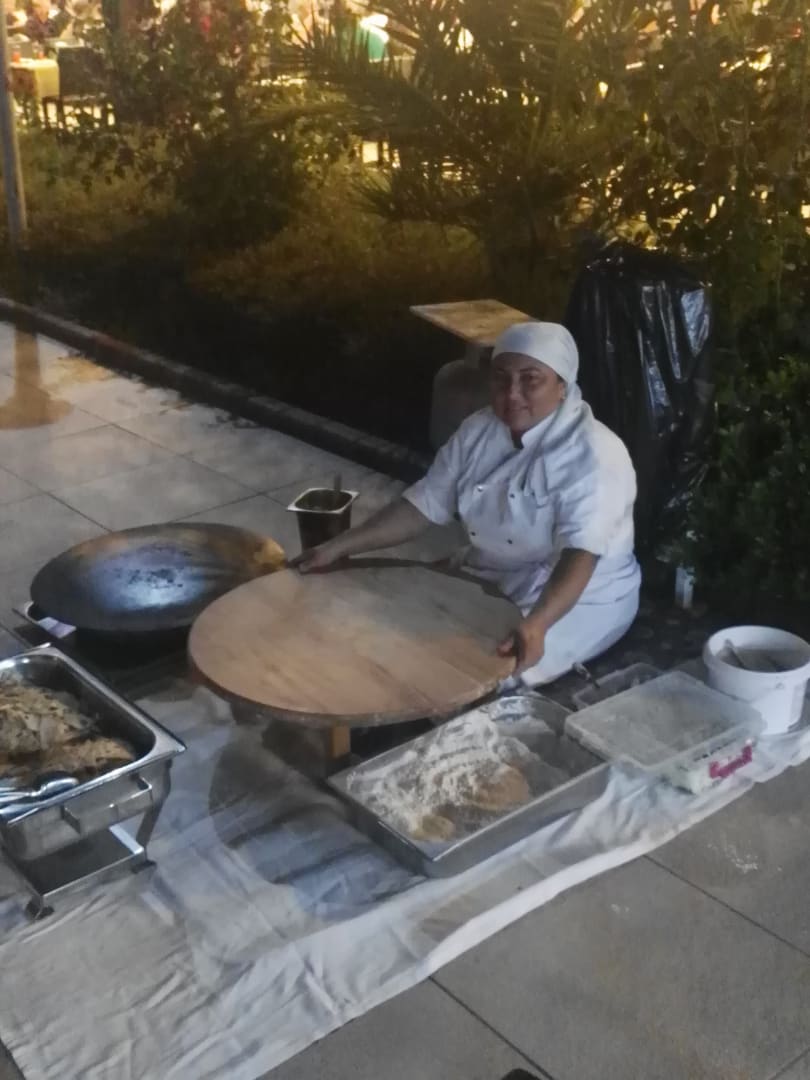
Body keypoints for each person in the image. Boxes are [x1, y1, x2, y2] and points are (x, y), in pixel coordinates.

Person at [296, 321, 641, 686]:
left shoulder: (594, 453)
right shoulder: (479, 430)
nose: (512, 394)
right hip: (495, 569)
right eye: (501, 378)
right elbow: (423, 504)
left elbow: (581, 553)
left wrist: (537, 625)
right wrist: (337, 547)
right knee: (391, 627)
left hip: (580, 599)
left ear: (562, 385)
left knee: (474, 674)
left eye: (530, 379)